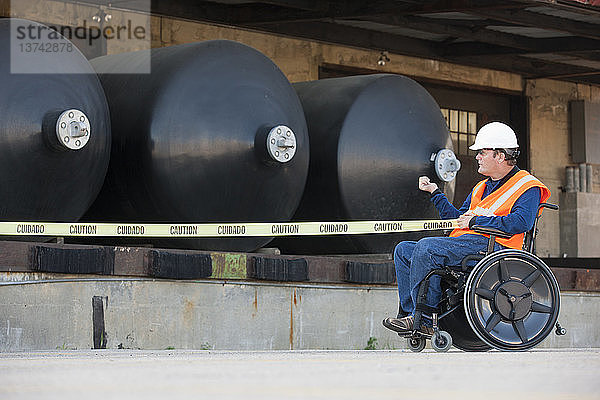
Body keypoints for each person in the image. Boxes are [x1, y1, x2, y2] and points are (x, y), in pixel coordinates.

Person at [382, 121, 550, 336]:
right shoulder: (481, 187)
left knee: (427, 247)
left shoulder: (528, 186)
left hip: (496, 248)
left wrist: (475, 223)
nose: (477, 157)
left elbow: (521, 223)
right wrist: (435, 192)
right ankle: (409, 315)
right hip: (468, 243)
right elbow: (457, 219)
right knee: (404, 249)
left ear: (499, 155)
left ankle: (424, 319)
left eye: (482, 152)